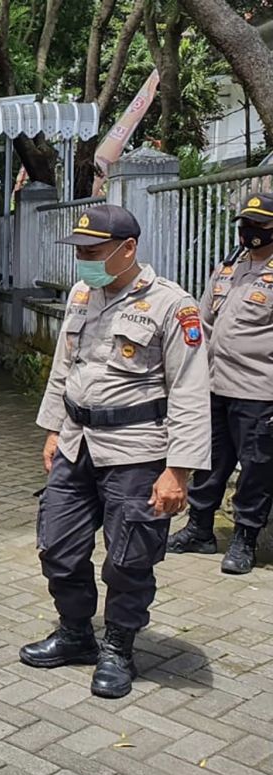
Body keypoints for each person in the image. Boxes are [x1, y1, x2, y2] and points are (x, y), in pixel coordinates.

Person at [21, 204, 211, 699]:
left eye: (93, 251)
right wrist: (53, 429)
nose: (83, 260)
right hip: (76, 443)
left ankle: (119, 649)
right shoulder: (83, 294)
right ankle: (76, 634)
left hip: (136, 451)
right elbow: (66, 365)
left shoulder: (172, 305)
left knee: (128, 559)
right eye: (80, 251)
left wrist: (179, 471)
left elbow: (191, 391)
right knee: (57, 546)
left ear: (128, 249)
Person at [168, 192, 273, 574]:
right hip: (214, 385)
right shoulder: (228, 268)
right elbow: (204, 321)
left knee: (257, 468)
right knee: (208, 461)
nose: (250, 231)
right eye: (246, 223)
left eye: (259, 224)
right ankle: (199, 530)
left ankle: (245, 538)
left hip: (259, 391)